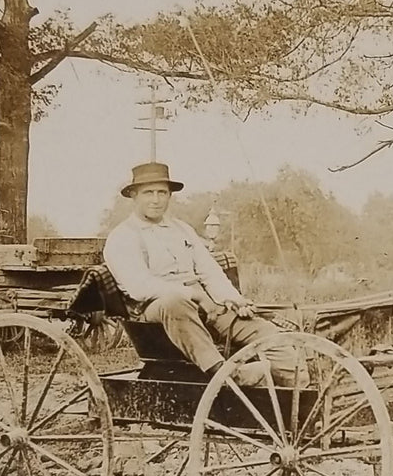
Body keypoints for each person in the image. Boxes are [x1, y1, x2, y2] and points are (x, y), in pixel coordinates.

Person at [103, 161, 295, 387]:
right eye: (148, 193)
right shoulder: (122, 237)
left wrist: (232, 299)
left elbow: (209, 271)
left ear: (169, 196)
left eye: (162, 193)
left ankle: (297, 393)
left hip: (206, 307)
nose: (156, 199)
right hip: (157, 313)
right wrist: (194, 295)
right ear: (134, 196)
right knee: (174, 302)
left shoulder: (182, 229)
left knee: (267, 334)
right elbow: (140, 287)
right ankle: (225, 375)